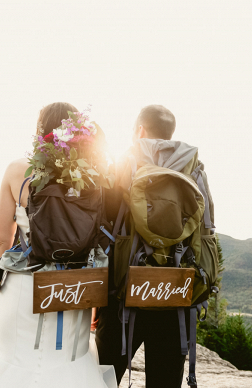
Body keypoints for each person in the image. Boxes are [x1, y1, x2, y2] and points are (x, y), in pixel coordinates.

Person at [0, 102, 117, 388]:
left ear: (40, 131)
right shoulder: (94, 176)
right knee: (67, 363)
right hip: (74, 288)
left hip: (24, 286)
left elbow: (4, 240)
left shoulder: (18, 170)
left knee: (13, 361)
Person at [96, 104, 204, 388]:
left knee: (104, 378)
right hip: (175, 291)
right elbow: (205, 229)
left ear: (139, 130)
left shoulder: (124, 163)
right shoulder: (195, 167)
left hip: (123, 292)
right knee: (165, 382)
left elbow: (103, 222)